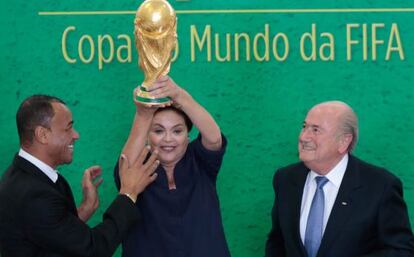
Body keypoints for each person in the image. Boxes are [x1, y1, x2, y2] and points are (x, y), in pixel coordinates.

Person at [0, 95, 159, 257]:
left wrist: (84, 209)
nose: (76, 135)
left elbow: (50, 234)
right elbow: (93, 250)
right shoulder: (34, 195)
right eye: (68, 128)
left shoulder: (23, 176)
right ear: (43, 135)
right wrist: (129, 192)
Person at [265, 100, 414, 257]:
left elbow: (401, 251)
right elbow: (277, 241)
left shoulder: (381, 186)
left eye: (316, 130)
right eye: (304, 127)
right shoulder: (285, 179)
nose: (303, 137)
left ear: (344, 141)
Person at [114, 76, 231, 257]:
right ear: (147, 136)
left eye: (177, 131)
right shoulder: (139, 167)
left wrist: (178, 94)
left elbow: (214, 139)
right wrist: (143, 114)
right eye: (159, 131)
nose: (168, 139)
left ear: (188, 136)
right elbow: (125, 168)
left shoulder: (200, 161)